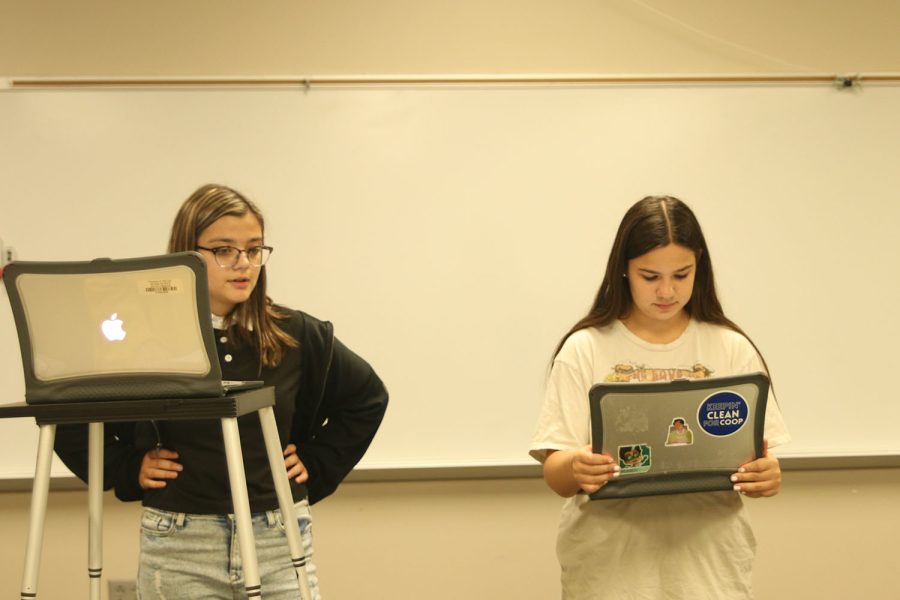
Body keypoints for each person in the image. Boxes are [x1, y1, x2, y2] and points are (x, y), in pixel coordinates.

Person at [54, 184, 389, 599]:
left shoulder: (295, 334)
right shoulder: (141, 339)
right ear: (188, 254)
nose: (243, 264)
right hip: (179, 542)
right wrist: (126, 468)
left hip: (278, 539)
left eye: (254, 249)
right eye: (224, 250)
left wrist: (317, 465)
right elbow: (66, 413)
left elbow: (367, 398)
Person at [530, 195, 789, 599]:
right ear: (623, 271)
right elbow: (555, 470)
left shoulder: (731, 348)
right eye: (649, 277)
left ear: (698, 266)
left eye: (681, 275)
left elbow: (762, 458)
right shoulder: (585, 349)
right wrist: (577, 467)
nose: (666, 291)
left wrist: (766, 476)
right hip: (610, 572)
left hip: (709, 572)